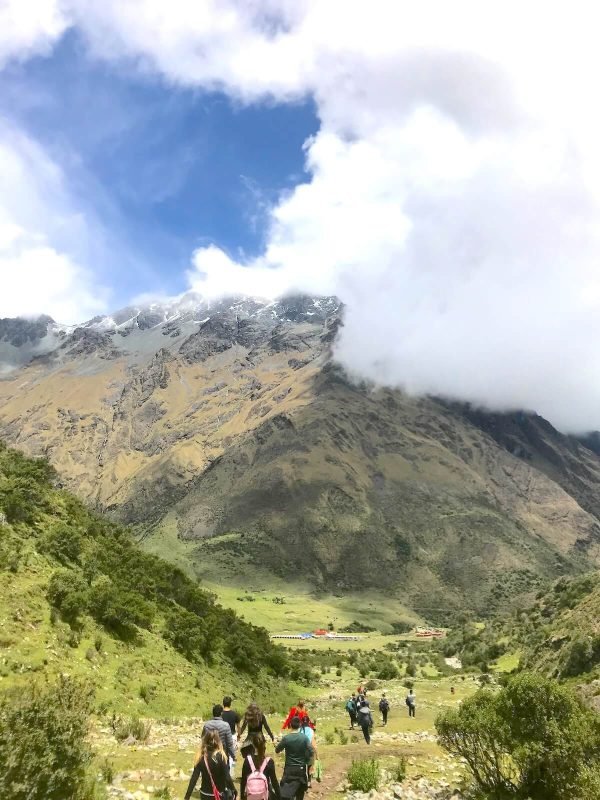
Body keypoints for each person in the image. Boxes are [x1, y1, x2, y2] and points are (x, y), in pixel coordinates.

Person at [184, 729, 237, 800]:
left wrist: (187, 796)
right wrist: (234, 790)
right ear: (218, 741)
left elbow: (194, 778)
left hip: (205, 794)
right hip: (219, 794)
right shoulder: (221, 756)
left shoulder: (201, 757)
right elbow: (227, 777)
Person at [275, 716, 313, 800]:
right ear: (300, 725)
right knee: (300, 792)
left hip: (289, 768)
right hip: (301, 768)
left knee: (286, 792)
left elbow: (277, 750)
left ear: (290, 725)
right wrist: (306, 760)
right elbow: (311, 751)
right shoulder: (304, 738)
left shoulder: (286, 738)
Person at [240, 732, 281, 800]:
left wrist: (242, 796)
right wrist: (279, 797)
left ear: (253, 745)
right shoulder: (269, 761)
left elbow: (243, 781)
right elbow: (274, 782)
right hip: (264, 796)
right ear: (264, 745)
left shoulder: (248, 760)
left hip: (251, 796)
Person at [222, 696, 242, 778]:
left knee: (223, 755)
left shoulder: (220, 714)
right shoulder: (235, 714)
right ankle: (230, 774)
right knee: (231, 755)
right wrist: (239, 736)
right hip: (232, 736)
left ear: (223, 704)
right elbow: (238, 726)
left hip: (222, 736)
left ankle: (223, 774)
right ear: (230, 704)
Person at [300, 718, 318, 787]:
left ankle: (303, 781)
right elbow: (313, 744)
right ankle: (309, 782)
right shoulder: (311, 730)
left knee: (303, 767)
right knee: (310, 767)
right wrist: (317, 755)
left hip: (301, 751)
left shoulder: (299, 730)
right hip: (309, 751)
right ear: (308, 722)